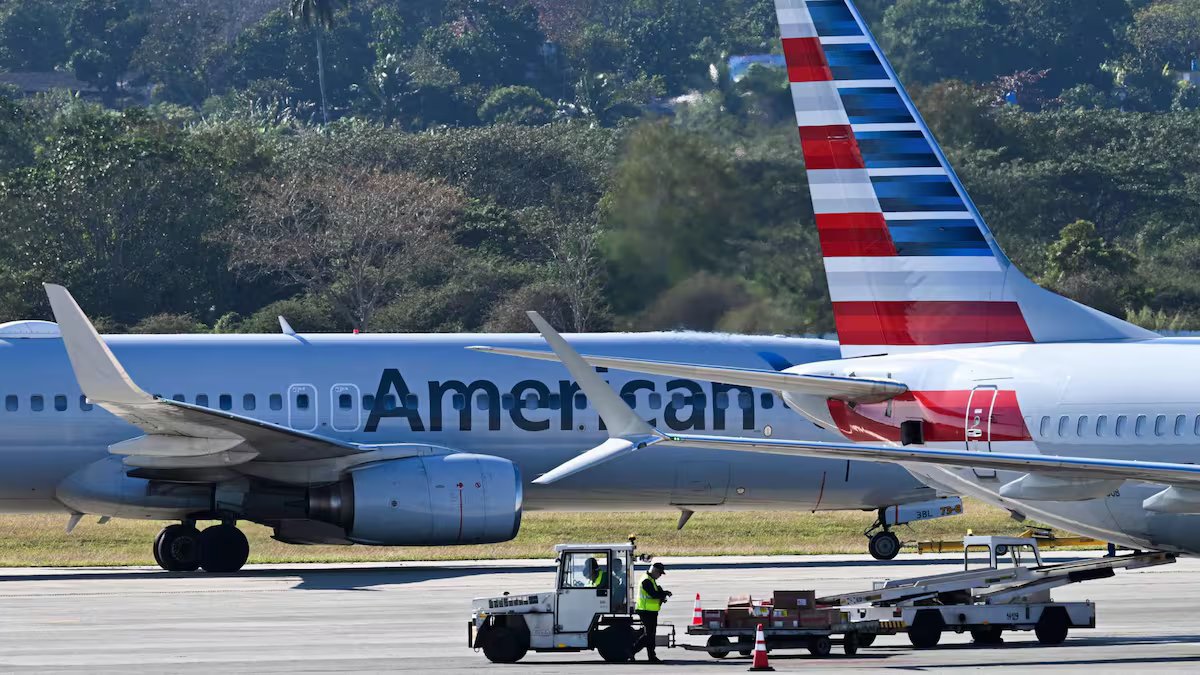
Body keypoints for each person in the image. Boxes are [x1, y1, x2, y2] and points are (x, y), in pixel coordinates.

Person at [633, 561, 671, 663]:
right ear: (654, 571)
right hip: (645, 611)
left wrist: (663, 593)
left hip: (650, 611)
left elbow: (655, 592)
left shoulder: (651, 579)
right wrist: (663, 594)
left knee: (650, 634)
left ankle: (650, 656)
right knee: (649, 635)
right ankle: (632, 651)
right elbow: (653, 594)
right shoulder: (646, 580)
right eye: (659, 573)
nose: (660, 576)